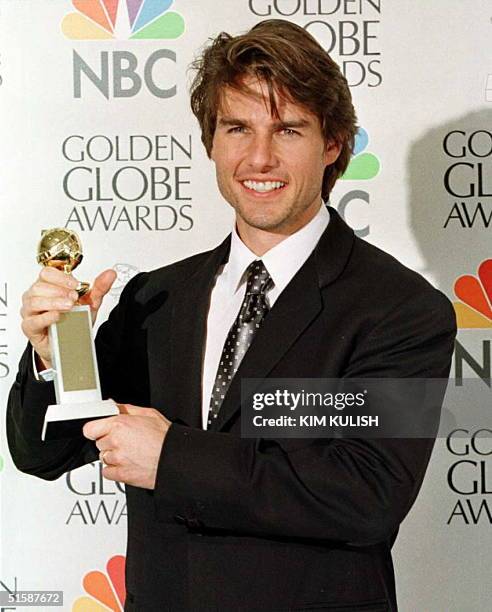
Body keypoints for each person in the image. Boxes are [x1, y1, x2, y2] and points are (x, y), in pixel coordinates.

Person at [7, 19, 456, 612]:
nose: (259, 156)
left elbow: (366, 495)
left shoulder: (401, 310)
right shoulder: (156, 298)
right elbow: (43, 453)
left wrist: (171, 459)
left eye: (288, 129)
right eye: (237, 127)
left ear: (332, 144)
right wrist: (52, 355)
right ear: (211, 142)